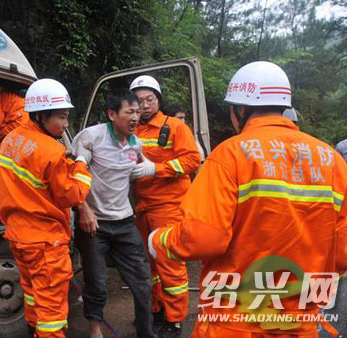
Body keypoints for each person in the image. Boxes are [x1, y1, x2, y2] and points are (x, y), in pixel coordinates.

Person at [148, 61, 347, 337]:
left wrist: (160, 240)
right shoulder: (332, 161)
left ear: (240, 110)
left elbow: (205, 237)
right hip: (298, 320)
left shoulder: (230, 155)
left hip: (235, 320)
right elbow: (341, 257)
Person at [0, 79, 93, 338]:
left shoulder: (10, 139)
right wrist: (81, 166)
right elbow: (72, 195)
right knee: (51, 310)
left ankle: (33, 332)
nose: (65, 125)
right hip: (45, 241)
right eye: (61, 117)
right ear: (40, 115)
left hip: (18, 236)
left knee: (32, 294)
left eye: (66, 117)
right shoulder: (51, 151)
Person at [72, 89, 157, 338]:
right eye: (129, 111)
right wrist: (83, 208)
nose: (135, 117)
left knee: (142, 281)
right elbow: (73, 175)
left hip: (124, 222)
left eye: (138, 112)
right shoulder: (91, 137)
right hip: (94, 224)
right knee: (97, 283)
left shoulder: (135, 143)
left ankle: (146, 332)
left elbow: (136, 169)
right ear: (112, 114)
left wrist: (151, 169)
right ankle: (95, 330)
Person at [129, 75, 201, 336]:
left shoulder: (174, 127)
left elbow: (193, 160)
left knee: (169, 264)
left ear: (158, 100)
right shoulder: (131, 128)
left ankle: (175, 320)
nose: (145, 105)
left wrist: (157, 169)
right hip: (143, 207)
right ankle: (156, 309)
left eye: (150, 99)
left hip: (169, 206)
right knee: (149, 265)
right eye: (139, 100)